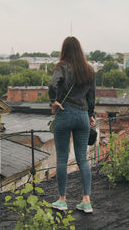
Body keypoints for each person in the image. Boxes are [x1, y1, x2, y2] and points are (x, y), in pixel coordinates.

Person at [48, 36, 96, 213]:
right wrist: (91, 115)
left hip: (65, 112)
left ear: (64, 50)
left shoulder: (62, 66)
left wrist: (53, 101)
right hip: (83, 115)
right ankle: (86, 201)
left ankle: (62, 200)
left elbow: (53, 83)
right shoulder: (89, 69)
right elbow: (91, 96)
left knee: (62, 157)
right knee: (82, 158)